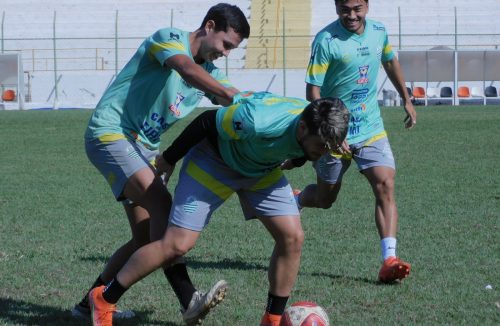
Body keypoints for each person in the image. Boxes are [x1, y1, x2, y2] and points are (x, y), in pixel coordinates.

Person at [87, 92, 350, 326]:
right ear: (302, 128)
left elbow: (307, 153)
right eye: (321, 147)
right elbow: (207, 121)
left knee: (292, 237)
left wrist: (315, 155)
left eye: (330, 147)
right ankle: (104, 298)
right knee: (177, 244)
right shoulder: (257, 119)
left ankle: (272, 320)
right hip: (213, 162)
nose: (326, 152)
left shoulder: (323, 130)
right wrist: (168, 159)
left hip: (261, 171)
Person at [74, 3, 250, 324]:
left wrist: (265, 111)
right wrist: (230, 96)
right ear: (209, 26)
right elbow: (186, 70)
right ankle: (189, 299)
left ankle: (89, 305)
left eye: (232, 49)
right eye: (226, 45)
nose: (226, 53)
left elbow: (232, 96)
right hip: (112, 134)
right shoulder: (168, 38)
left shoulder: (211, 73)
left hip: (144, 150)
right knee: (163, 207)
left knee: (146, 239)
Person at [295, 0, 416, 283]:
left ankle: (389, 259)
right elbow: (312, 90)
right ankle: (299, 197)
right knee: (325, 199)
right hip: (334, 133)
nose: (351, 15)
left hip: (371, 126)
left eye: (357, 8)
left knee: (385, 183)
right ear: (337, 6)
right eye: (344, 9)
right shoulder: (327, 40)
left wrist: (407, 99)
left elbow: (389, 61)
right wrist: (332, 132)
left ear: (367, 5)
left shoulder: (379, 32)